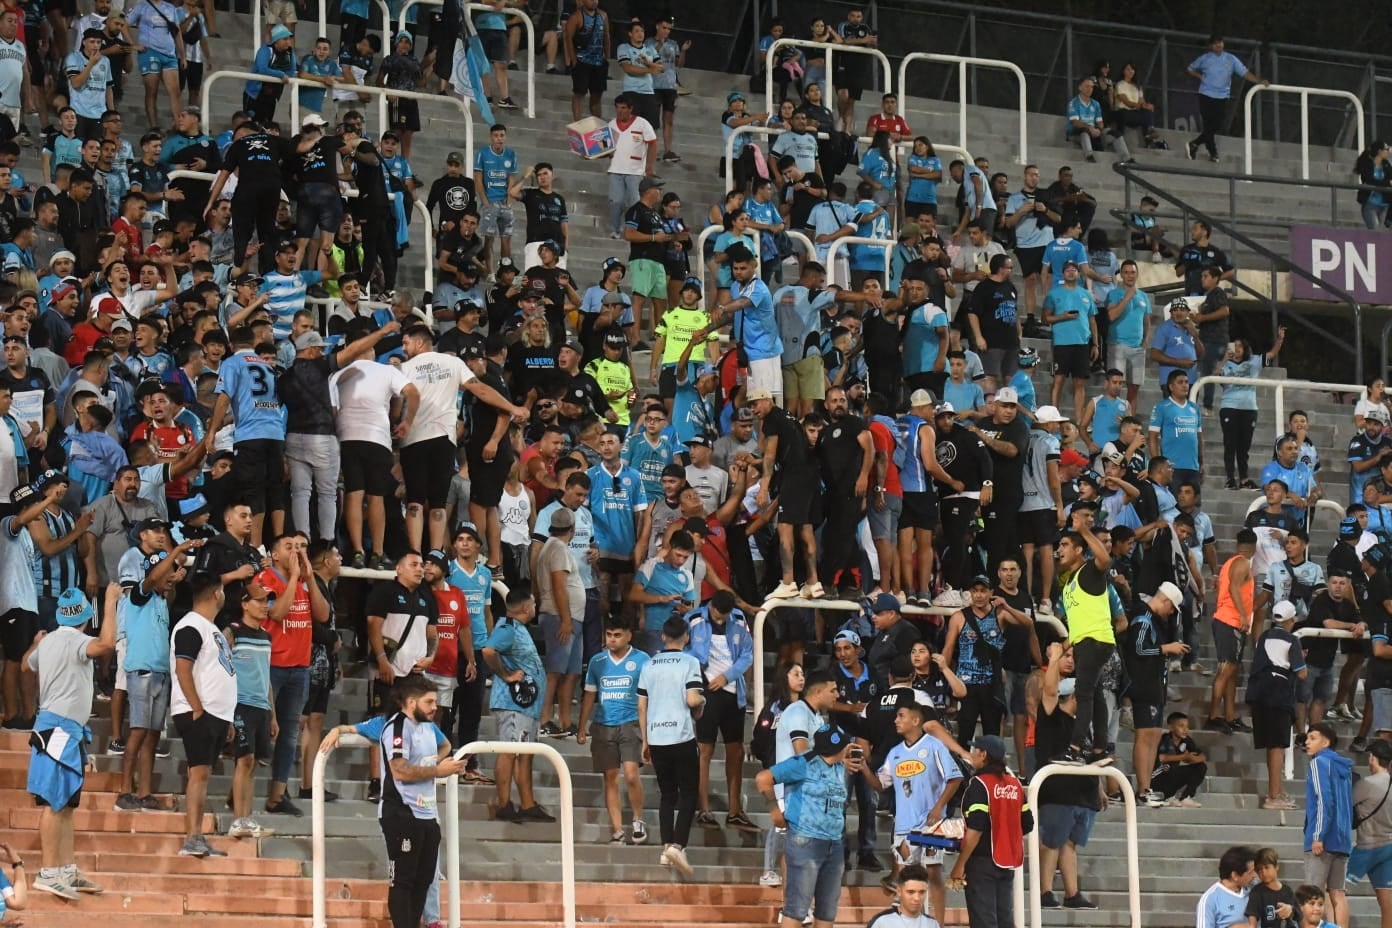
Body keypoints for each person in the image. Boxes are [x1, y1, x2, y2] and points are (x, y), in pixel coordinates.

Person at [24, 587, 114, 899]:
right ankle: (49, 872)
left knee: (65, 805)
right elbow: (106, 644)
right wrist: (112, 601)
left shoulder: (49, 640)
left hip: (67, 732)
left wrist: (36, 643)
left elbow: (26, 665)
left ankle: (65, 870)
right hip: (56, 730)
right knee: (54, 802)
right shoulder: (76, 640)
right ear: (86, 618)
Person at [377, 674, 463, 928]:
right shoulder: (397, 727)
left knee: (424, 880)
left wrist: (439, 764)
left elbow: (442, 748)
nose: (435, 707)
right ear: (411, 702)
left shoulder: (428, 727)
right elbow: (400, 770)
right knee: (403, 881)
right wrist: (438, 770)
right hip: (401, 813)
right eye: (429, 702)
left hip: (427, 813)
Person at [755, 722, 859, 928]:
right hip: (806, 841)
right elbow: (763, 778)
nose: (849, 747)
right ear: (835, 747)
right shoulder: (803, 763)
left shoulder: (839, 765)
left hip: (834, 843)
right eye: (845, 744)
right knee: (797, 909)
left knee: (827, 912)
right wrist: (775, 810)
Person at [170, 572, 236, 859]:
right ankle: (192, 836)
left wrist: (227, 716)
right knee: (198, 774)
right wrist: (197, 706)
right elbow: (183, 668)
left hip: (216, 712)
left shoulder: (212, 629)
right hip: (200, 711)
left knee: (203, 774)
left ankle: (198, 835)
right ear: (216, 593)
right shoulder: (190, 626)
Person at [875, 699, 960, 913]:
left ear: (915, 720)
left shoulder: (934, 746)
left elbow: (955, 778)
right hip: (903, 824)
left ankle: (938, 924)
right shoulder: (895, 752)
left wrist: (938, 807)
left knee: (933, 873)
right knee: (907, 879)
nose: (896, 720)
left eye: (900, 716)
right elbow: (880, 784)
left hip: (930, 824)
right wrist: (863, 769)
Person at [637, 615, 705, 878]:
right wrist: (702, 701)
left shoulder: (649, 664)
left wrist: (645, 740)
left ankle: (666, 848)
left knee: (667, 794)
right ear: (686, 637)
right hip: (682, 736)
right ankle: (678, 845)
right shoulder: (690, 662)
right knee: (688, 793)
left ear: (663, 637)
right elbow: (691, 699)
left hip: (656, 738)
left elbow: (641, 704)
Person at [482, 586, 553, 823]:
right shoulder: (508, 628)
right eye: (533, 603)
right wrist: (505, 675)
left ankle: (527, 804)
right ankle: (503, 804)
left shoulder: (520, 629)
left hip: (527, 706)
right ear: (525, 608)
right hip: (513, 704)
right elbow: (489, 651)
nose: (535, 606)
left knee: (526, 753)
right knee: (509, 752)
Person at [577, 617, 650, 845]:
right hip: (603, 726)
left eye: (617, 635)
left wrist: (649, 734)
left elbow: (649, 697)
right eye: (609, 635)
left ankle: (638, 820)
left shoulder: (642, 660)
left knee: (630, 774)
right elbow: (589, 695)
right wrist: (582, 726)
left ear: (629, 635)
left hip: (631, 724)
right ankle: (617, 830)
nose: (612, 639)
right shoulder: (597, 661)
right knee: (610, 778)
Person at [947, 735, 1032, 928]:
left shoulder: (980, 784)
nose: (971, 755)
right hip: (1006, 861)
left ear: (983, 755)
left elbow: (976, 828)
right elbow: (1027, 824)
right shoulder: (1015, 784)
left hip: (981, 862)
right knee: (1004, 921)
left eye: (975, 751)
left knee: (984, 921)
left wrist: (960, 865)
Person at [1053, 509, 1114, 765]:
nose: (1060, 549)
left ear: (1079, 550)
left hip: (1095, 641)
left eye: (1065, 544)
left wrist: (1084, 531)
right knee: (1096, 695)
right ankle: (1100, 749)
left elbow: (1105, 560)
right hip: (1085, 642)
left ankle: (1075, 748)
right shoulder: (1070, 583)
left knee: (1084, 694)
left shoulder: (1089, 571)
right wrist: (1063, 645)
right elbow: (1078, 622)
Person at [1186, 35, 1269, 162]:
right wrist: (1199, 76)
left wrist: (1258, 81)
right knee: (1209, 125)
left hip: (1222, 97)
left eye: (1220, 42)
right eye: (1215, 43)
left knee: (1216, 125)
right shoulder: (1205, 58)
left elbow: (1244, 72)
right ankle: (1213, 153)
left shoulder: (1231, 59)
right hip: (1206, 95)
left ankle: (1195, 143)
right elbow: (1190, 68)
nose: (1218, 45)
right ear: (1211, 46)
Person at [1303, 722, 1353, 928]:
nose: (1307, 742)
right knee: (1337, 893)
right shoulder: (1344, 767)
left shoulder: (1319, 763)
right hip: (1342, 839)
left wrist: (1318, 835)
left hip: (1323, 838)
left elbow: (1325, 801)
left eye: (1312, 738)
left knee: (1313, 893)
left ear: (1326, 742)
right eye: (1307, 738)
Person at [1348, 739, 1392, 928]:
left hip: (1367, 847)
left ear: (1373, 758)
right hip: (1389, 847)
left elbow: (1346, 803)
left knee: (1333, 891)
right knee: (1387, 901)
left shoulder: (1367, 783)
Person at [1197, 846, 1258, 928]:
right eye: (1250, 872)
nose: (1254, 875)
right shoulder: (1210, 900)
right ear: (1235, 875)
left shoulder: (1255, 887)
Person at [866, 863, 941, 928]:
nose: (917, 898)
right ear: (899, 891)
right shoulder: (882, 922)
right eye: (910, 892)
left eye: (922, 892)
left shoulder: (932, 924)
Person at [1247, 847, 1298, 928]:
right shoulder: (1256, 892)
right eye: (1259, 870)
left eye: (1267, 867)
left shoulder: (1287, 890)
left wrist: (1290, 910)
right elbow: (1252, 922)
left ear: (1276, 866)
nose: (1263, 872)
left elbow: (1298, 916)